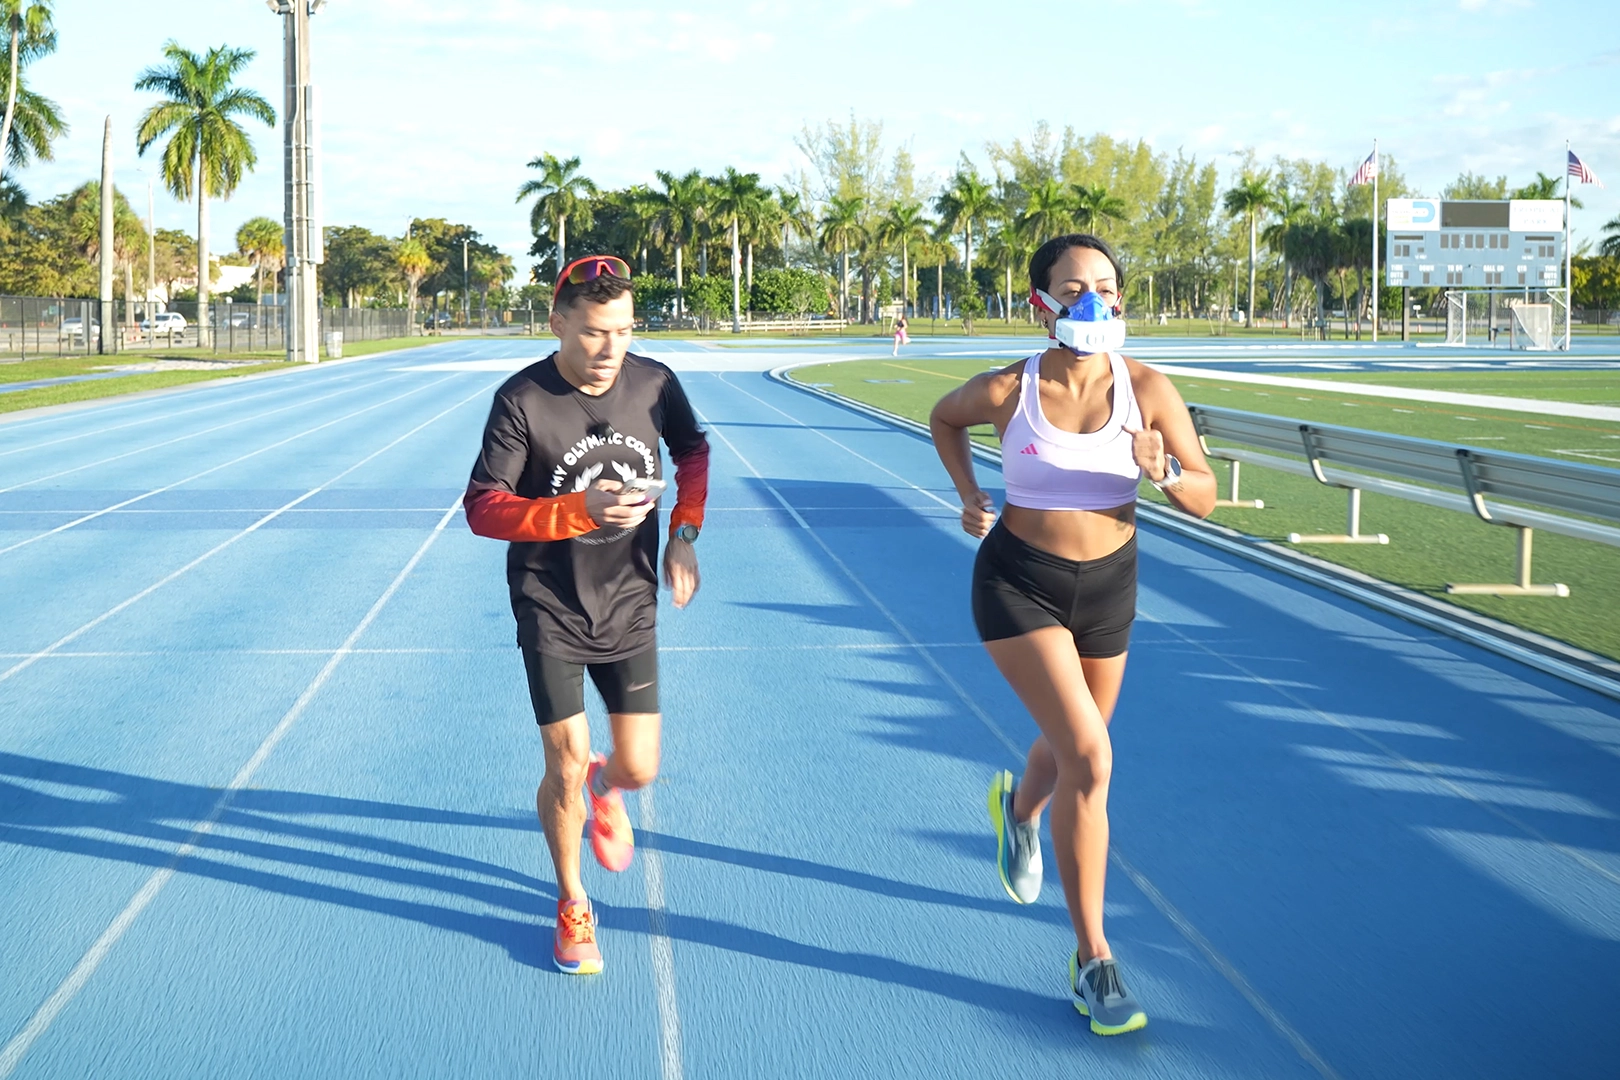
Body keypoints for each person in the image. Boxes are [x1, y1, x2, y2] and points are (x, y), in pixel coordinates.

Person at [927, 234, 1215, 1035]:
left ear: (1122, 298)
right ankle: (1094, 960)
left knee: (1070, 745)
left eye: (1105, 284)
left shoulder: (1149, 388)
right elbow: (943, 420)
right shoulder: (1006, 388)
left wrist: (1161, 471)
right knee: (1091, 756)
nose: (1091, 299)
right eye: (1071, 285)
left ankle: (1018, 812)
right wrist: (967, 492)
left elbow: (1206, 497)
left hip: (1110, 589)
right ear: (1039, 303)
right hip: (1018, 581)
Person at [464, 255, 710, 975]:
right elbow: (484, 507)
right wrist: (577, 510)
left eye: (626, 331)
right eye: (597, 333)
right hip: (550, 603)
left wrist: (685, 535)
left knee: (638, 768)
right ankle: (572, 902)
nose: (612, 350)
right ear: (558, 321)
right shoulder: (522, 400)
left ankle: (609, 790)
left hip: (630, 597)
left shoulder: (656, 383)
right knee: (564, 764)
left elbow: (693, 452)